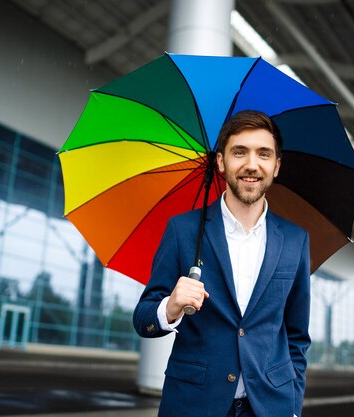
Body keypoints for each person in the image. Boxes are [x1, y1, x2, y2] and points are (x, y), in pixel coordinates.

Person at [133, 110, 311, 417]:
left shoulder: (296, 240)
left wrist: (292, 401)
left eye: (264, 154)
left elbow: (296, 335)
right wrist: (170, 306)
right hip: (194, 404)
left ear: (277, 166)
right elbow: (143, 319)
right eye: (239, 152)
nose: (251, 165)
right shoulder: (184, 230)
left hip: (270, 407)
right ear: (220, 162)